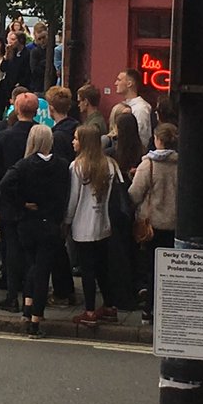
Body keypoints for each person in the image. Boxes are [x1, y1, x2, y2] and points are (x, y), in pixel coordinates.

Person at [0, 124, 70, 338]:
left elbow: (4, 184)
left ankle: (28, 306)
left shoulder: (24, 165)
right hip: (49, 223)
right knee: (42, 271)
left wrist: (21, 203)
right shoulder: (62, 166)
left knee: (31, 266)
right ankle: (35, 319)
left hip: (27, 223)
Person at [65, 124, 121, 326]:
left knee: (87, 270)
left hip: (82, 224)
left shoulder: (77, 166)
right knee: (103, 268)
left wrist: (67, 221)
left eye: (76, 138)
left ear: (85, 143)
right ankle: (109, 306)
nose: (73, 142)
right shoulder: (110, 165)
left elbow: (73, 199)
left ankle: (89, 311)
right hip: (104, 224)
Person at [129, 122, 179, 326]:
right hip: (176, 225)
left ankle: (149, 311)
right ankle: (168, 311)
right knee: (171, 271)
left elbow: (134, 194)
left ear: (158, 140)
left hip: (152, 225)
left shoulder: (148, 165)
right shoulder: (182, 164)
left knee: (152, 269)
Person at [0, 92, 38, 309]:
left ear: (17, 110)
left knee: (10, 247)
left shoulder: (5, 136)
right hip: (35, 200)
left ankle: (12, 295)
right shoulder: (43, 134)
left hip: (10, 199)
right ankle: (32, 293)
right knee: (31, 250)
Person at [113, 68, 153, 149]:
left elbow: (142, 137)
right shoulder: (125, 105)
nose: (115, 83)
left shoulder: (140, 109)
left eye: (119, 80)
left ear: (129, 83)